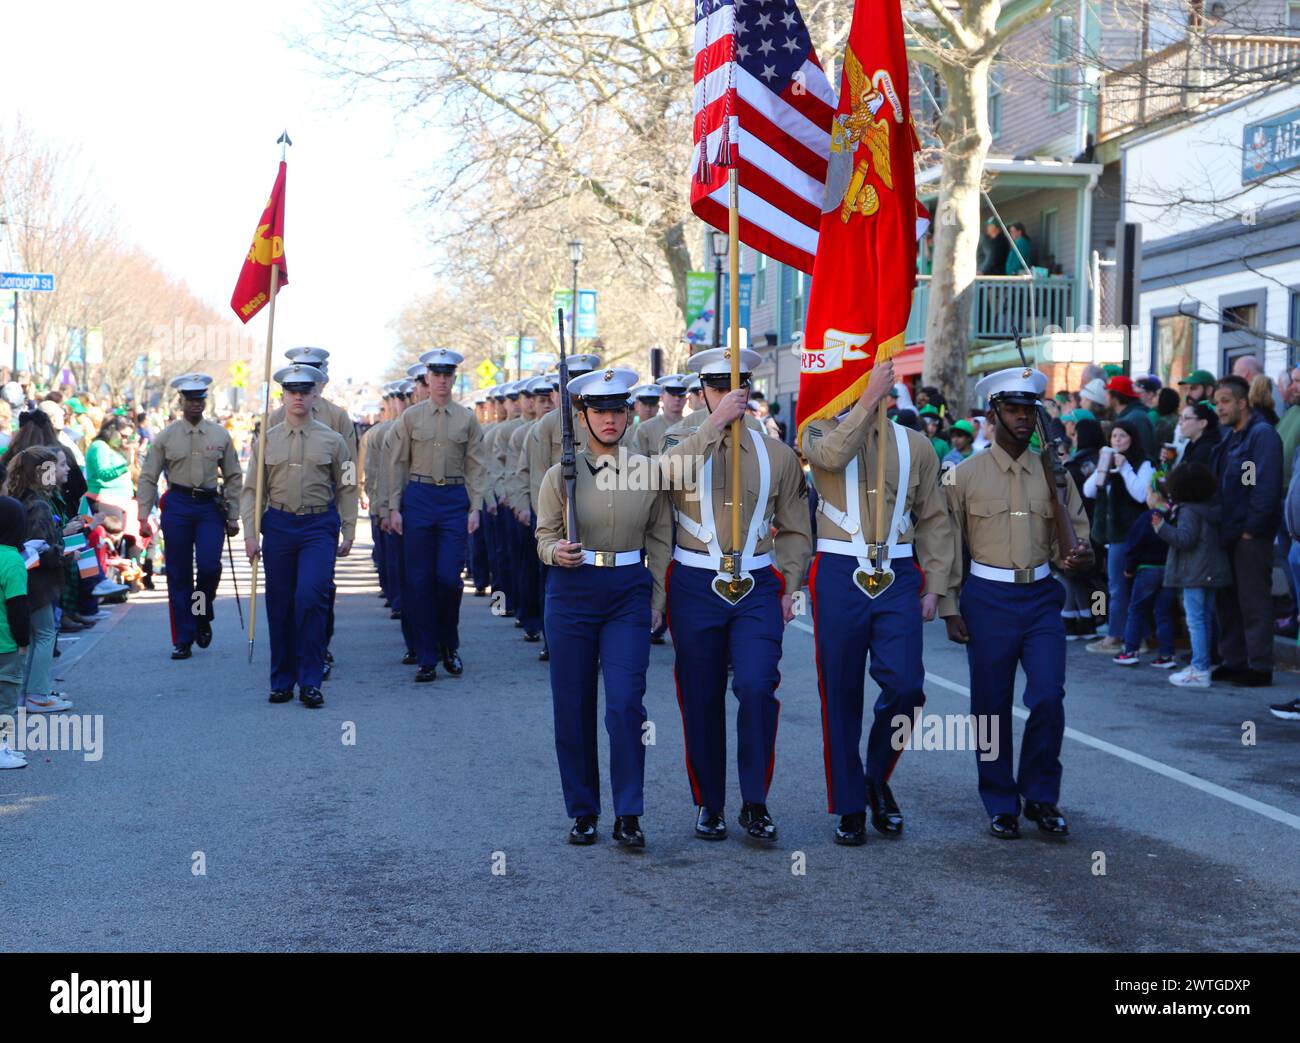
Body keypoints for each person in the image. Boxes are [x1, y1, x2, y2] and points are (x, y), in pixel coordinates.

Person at [660, 346, 812, 842]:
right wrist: (712, 426)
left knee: (755, 686)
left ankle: (755, 801)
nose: (730, 395)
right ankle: (709, 802)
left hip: (756, 585)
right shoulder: (677, 440)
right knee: (700, 696)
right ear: (702, 392)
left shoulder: (777, 453)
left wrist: (791, 584)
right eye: (719, 387)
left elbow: (794, 527)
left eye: (737, 386)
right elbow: (665, 477)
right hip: (695, 582)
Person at [801, 359, 955, 844]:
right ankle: (849, 804)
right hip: (839, 570)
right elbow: (829, 459)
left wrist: (936, 585)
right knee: (840, 693)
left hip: (899, 571)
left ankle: (875, 777)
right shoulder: (817, 429)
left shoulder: (916, 445)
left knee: (907, 687)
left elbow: (933, 519)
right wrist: (867, 401)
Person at [941, 365, 1093, 839]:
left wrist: (1077, 553)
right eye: (1013, 409)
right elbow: (947, 546)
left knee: (1048, 695)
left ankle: (1042, 797)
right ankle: (1000, 800)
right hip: (987, 597)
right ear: (993, 414)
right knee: (991, 705)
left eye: (1030, 410)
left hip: (1042, 595)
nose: (1024, 419)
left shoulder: (1055, 473)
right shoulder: (963, 476)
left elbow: (1079, 537)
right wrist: (949, 605)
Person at [536, 367, 672, 847]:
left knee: (625, 705)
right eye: (600, 410)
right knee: (573, 706)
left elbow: (660, 537)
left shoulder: (649, 470)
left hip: (627, 593)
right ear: (583, 415)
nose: (611, 419)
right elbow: (544, 535)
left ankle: (629, 812)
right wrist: (556, 552)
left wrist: (657, 599)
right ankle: (583, 810)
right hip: (572, 591)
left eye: (618, 409)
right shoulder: (561, 473)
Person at [242, 364, 358, 708]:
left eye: (304, 391)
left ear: (314, 394)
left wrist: (348, 527)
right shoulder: (266, 440)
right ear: (283, 395)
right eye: (291, 391)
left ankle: (311, 679)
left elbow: (348, 485)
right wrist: (250, 533)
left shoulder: (333, 440)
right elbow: (252, 490)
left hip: (318, 525)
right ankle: (282, 680)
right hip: (278, 524)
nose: (298, 397)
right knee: (280, 604)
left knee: (311, 597)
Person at [386, 349, 488, 682]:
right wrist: (393, 507)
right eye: (437, 375)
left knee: (448, 579)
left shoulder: (466, 418)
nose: (442, 381)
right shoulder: (412, 417)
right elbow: (398, 462)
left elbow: (476, 465)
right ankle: (426, 656)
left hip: (452, 500)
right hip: (419, 497)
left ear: (453, 379)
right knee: (419, 581)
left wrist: (475, 507)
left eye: (448, 375)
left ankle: (449, 645)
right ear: (428, 379)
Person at [136, 373, 243, 659]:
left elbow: (234, 476)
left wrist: (234, 514)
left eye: (200, 399)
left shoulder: (219, 434)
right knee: (178, 573)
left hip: (209, 507)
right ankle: (183, 637)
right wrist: (143, 514)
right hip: (179, 505)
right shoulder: (166, 436)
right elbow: (148, 476)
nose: (196, 404)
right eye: (191, 400)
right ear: (181, 401)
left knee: (209, 567)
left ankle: (201, 612)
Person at [524, 355, 601, 663]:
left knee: (595, 579)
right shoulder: (546, 426)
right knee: (558, 580)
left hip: (597, 510)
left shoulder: (601, 416)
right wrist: (546, 520)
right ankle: (553, 637)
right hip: (560, 511)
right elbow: (538, 476)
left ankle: (594, 644)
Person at [1211, 374, 1283, 688]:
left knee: (1253, 600)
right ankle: (1233, 660)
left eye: (1225, 402)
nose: (1219, 409)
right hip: (1227, 532)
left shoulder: (1261, 435)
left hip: (1249, 536)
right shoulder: (1230, 438)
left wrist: (1251, 530)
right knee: (1227, 600)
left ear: (1243, 403)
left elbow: (1263, 486)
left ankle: (1258, 666)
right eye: (1216, 403)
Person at [1151, 462, 1230, 689]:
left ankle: (1200, 668)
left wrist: (1161, 527)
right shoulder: (1209, 509)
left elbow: (1185, 539)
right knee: (1204, 619)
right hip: (1210, 572)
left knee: (1195, 621)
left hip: (1194, 572)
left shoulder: (1188, 511)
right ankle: (1202, 665)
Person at [5, 447, 72, 715]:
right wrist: (65, 554)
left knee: (32, 638)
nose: (58, 472)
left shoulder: (16, 498)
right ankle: (38, 694)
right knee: (45, 634)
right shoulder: (39, 505)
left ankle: (29, 692)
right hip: (38, 584)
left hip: (21, 579)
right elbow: (41, 550)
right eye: (53, 467)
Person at [1082, 420, 1153, 655]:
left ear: (1132, 438)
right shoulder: (1108, 464)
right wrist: (1103, 466)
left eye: (1122, 436)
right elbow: (1089, 490)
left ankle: (1123, 636)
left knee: (1126, 588)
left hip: (1132, 535)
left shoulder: (1142, 464)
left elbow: (1141, 494)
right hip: (1112, 536)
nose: (1117, 441)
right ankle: (1122, 635)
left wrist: (1124, 469)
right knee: (1117, 587)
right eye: (1113, 437)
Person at [1112, 491, 1177, 669]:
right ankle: (1167, 654)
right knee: (1164, 613)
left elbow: (1134, 545)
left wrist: (1129, 568)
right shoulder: (1175, 515)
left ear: (1155, 496)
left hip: (1147, 569)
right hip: (1169, 569)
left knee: (1136, 610)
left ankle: (1131, 650)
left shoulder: (1148, 517)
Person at [0, 496, 31, 769]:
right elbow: (17, 605)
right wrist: (23, 640)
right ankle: (1, 749)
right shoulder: (12, 560)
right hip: (5, 643)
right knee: (7, 698)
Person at [633, 373, 688, 457]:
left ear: (686, 398)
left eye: (681, 395)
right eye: (672, 394)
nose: (677, 399)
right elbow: (638, 463)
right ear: (662, 397)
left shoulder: (694, 424)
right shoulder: (645, 428)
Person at [1106, 375, 1156, 458]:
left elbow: (1144, 451)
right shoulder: (1126, 416)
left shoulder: (1136, 418)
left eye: (1108, 392)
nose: (1105, 396)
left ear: (1115, 396)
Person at [1177, 400, 1220, 468]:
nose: (1180, 423)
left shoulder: (1205, 451)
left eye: (1186, 418)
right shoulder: (1192, 444)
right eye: (1180, 418)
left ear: (1202, 423)